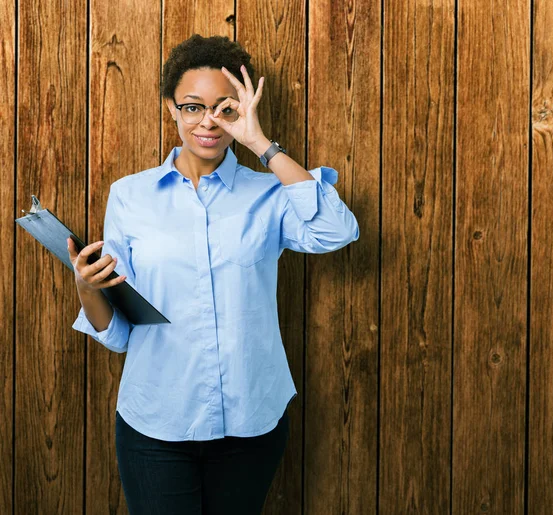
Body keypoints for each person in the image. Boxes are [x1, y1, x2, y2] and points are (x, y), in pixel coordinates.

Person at [67, 34, 359, 515]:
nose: (208, 121)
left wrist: (260, 143)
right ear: (171, 109)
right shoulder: (129, 196)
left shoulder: (269, 193)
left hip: (251, 420)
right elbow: (119, 334)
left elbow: (336, 231)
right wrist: (86, 286)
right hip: (157, 422)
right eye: (192, 107)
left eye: (225, 109)